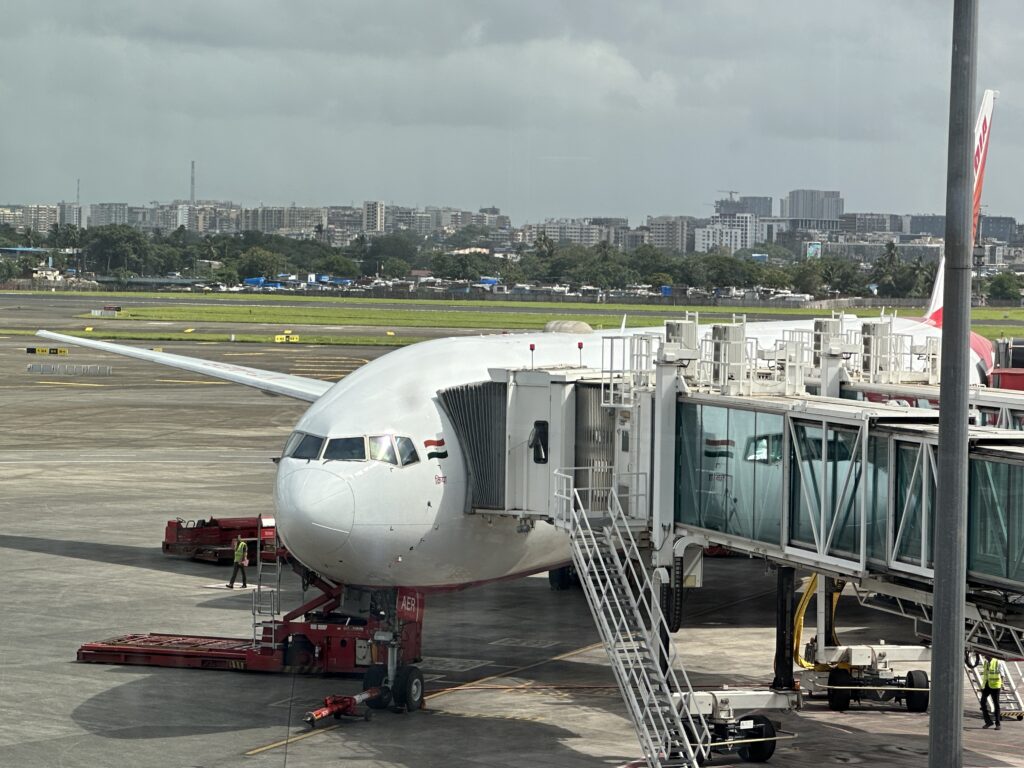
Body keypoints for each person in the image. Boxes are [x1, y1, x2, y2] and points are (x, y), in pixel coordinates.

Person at [979, 652, 1005, 729]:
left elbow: (1002, 674)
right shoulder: (986, 663)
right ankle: (988, 722)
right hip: (988, 685)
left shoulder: (998, 662)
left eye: (985, 655)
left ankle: (998, 724)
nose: (984, 656)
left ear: (989, 655)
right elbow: (986, 675)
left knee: (996, 704)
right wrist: (983, 686)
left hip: (995, 686)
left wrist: (1002, 685)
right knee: (983, 702)